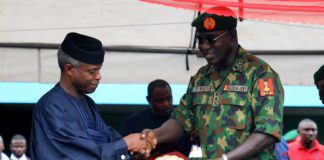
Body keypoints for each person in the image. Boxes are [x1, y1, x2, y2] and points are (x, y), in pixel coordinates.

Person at [142, 6, 284, 159]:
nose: (204, 46)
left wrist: (225, 159)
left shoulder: (260, 74)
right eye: (200, 40)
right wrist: (153, 136)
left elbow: (268, 132)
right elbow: (181, 121)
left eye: (211, 39)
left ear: (231, 36)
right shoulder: (201, 77)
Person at [30, 32, 152, 160]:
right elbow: (81, 155)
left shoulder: (88, 103)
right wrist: (127, 144)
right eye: (92, 71)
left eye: (99, 70)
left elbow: (107, 140)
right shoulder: (51, 107)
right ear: (69, 69)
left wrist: (137, 147)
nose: (99, 76)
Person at [122, 79, 192, 158]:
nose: (166, 104)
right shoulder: (134, 122)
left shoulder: (183, 119)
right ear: (148, 99)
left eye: (169, 99)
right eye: (160, 100)